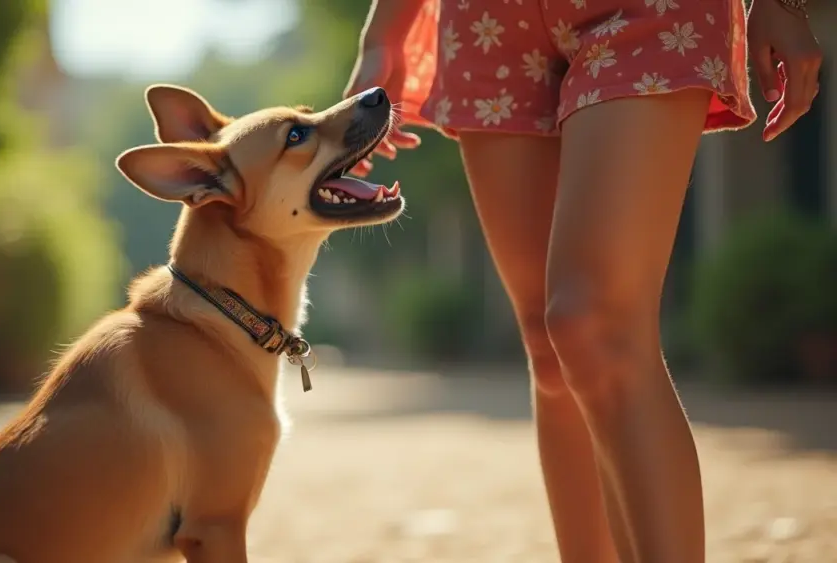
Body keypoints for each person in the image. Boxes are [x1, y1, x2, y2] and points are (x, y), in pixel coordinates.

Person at [344, 0, 821, 561]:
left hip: (651, 12)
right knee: (551, 355)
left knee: (593, 327)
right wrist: (384, 33)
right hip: (486, 23)